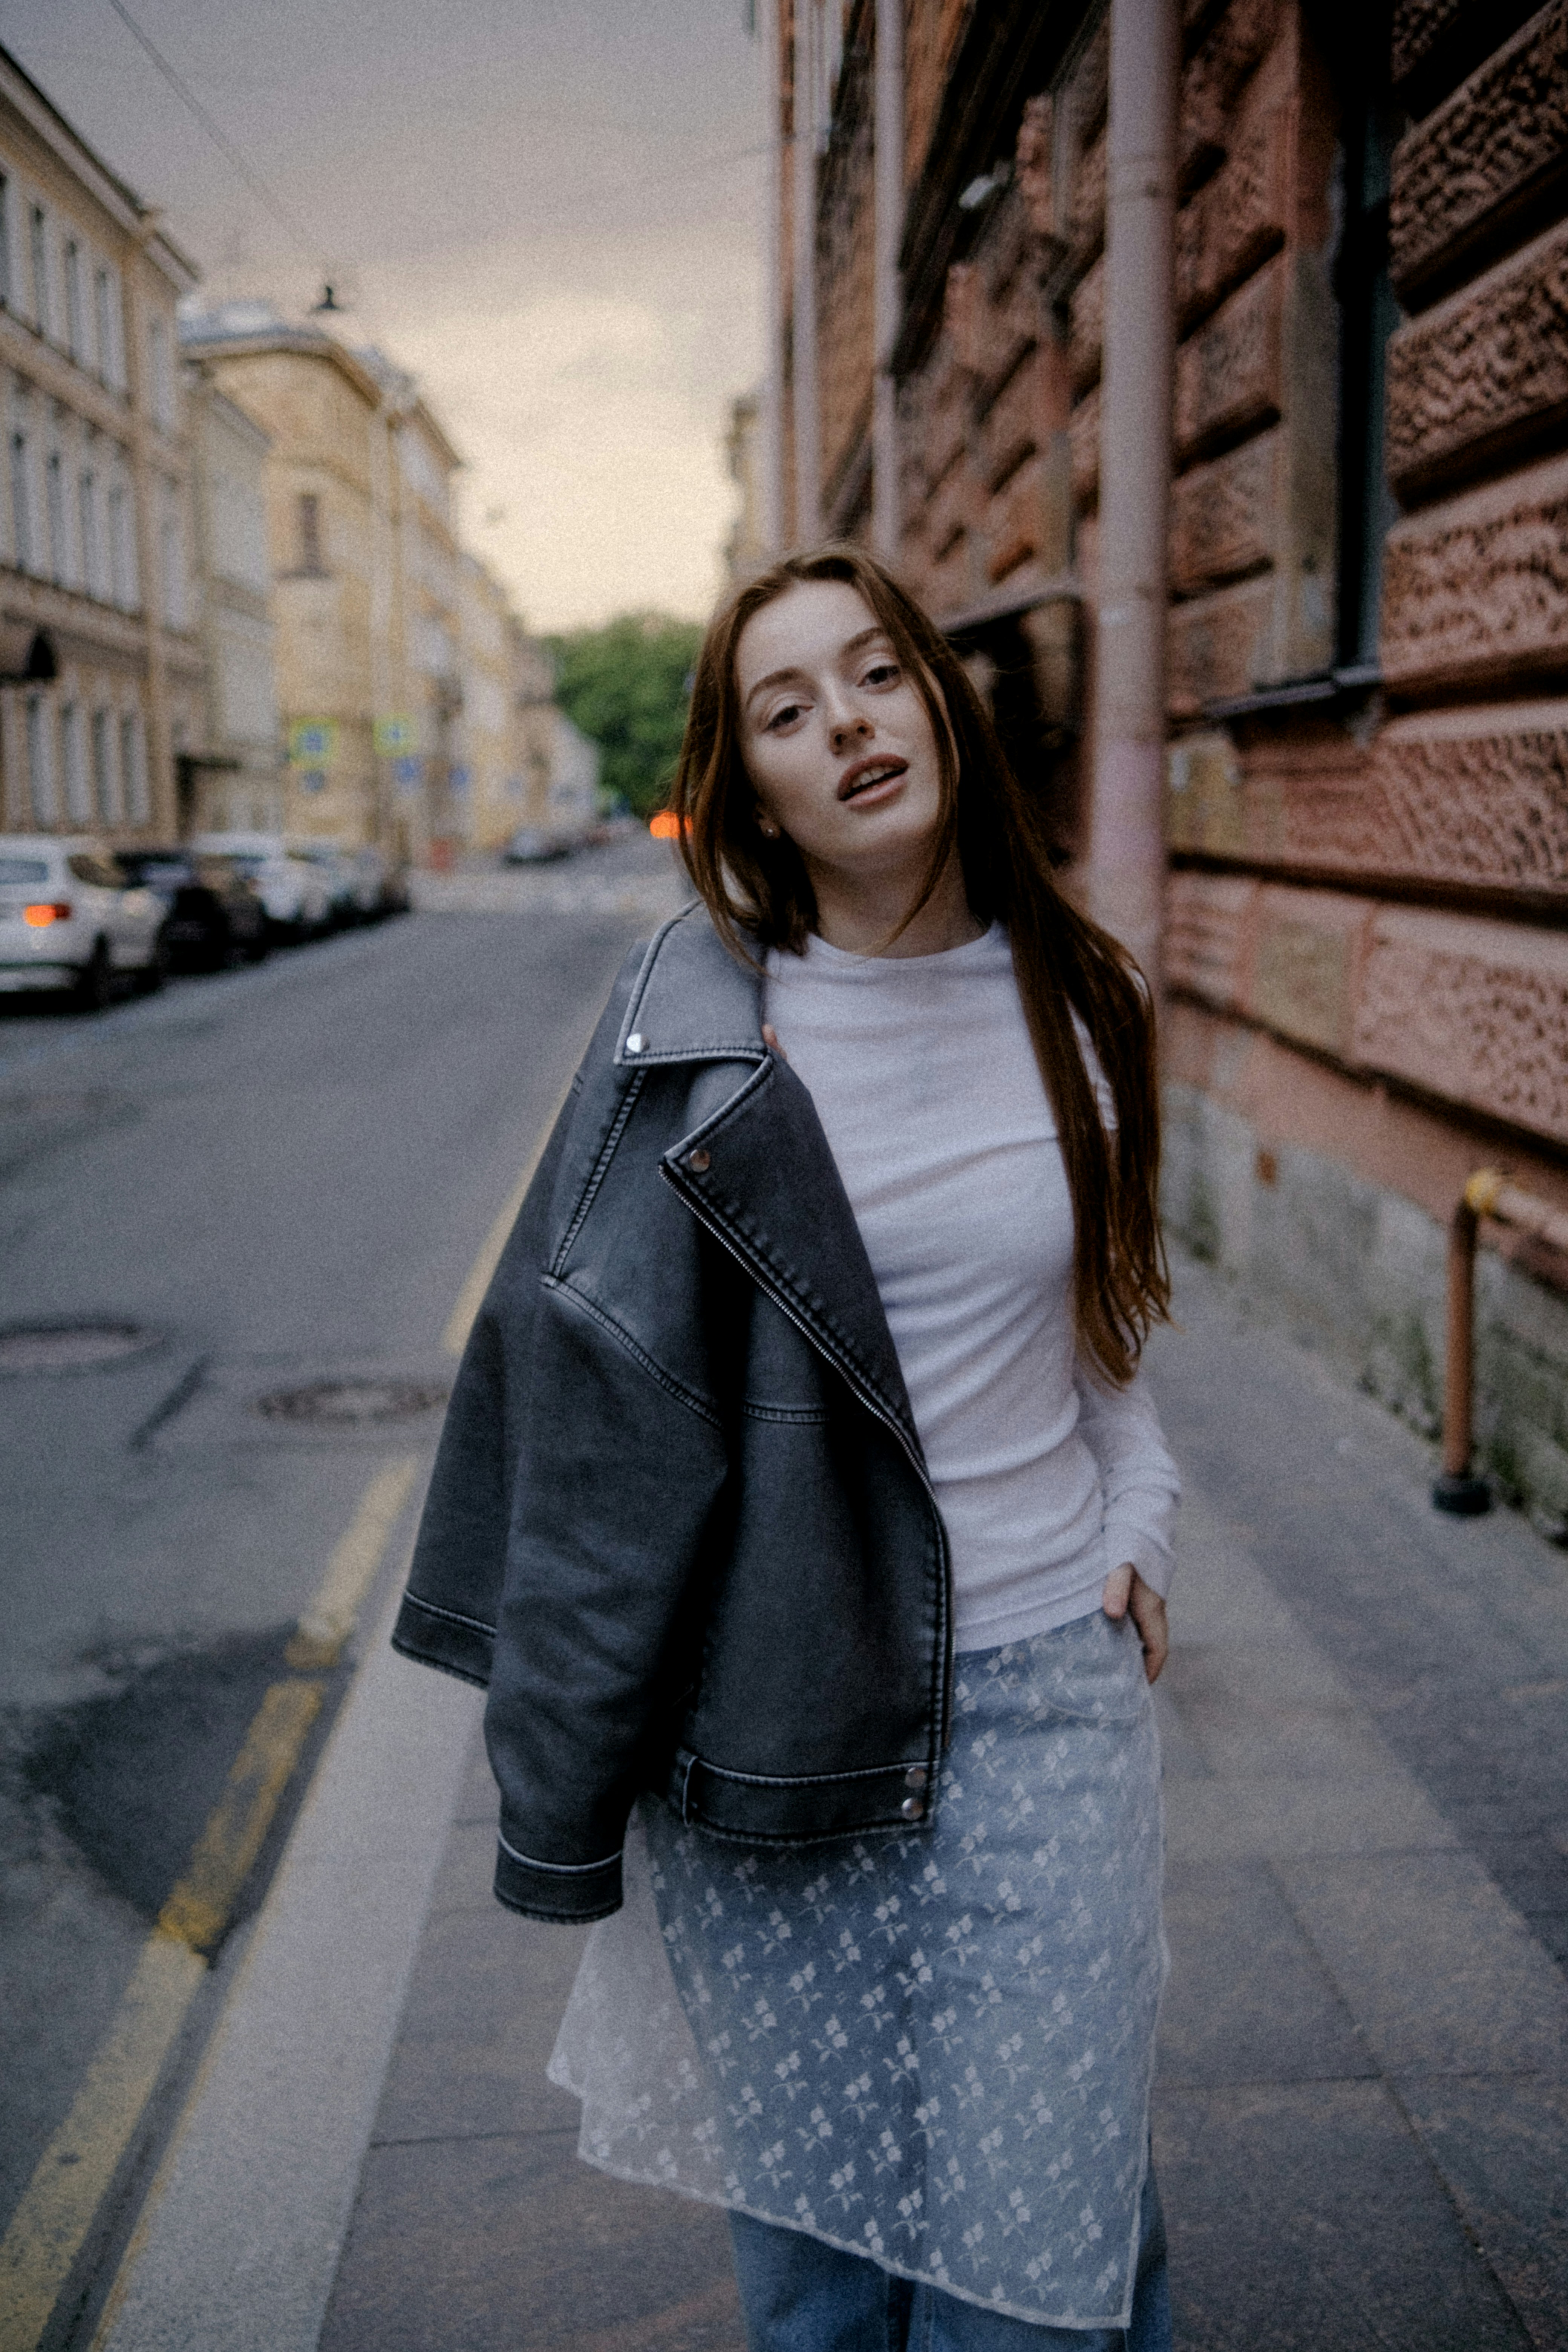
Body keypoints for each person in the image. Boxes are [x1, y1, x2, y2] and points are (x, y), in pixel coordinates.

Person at [394, 545, 1180, 2350]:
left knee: (1035, 2256)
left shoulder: (1084, 1003)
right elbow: (582, 1409)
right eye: (785, 706)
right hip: (767, 1709)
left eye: (877, 674)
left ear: (940, 699)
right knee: (818, 2281)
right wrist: (567, 1762)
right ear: (746, 780)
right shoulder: (691, 1035)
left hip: (1045, 1692)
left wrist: (1140, 1513)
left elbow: (1108, 1329)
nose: (847, 723)